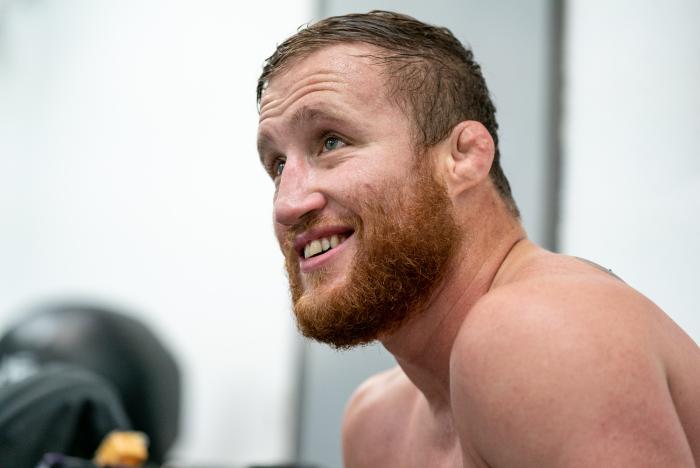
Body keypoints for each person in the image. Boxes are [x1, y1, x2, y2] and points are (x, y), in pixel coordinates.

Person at [256, 10, 700, 467]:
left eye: (331, 142)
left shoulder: (539, 331)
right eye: (277, 165)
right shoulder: (375, 423)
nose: (287, 205)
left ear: (464, 157)